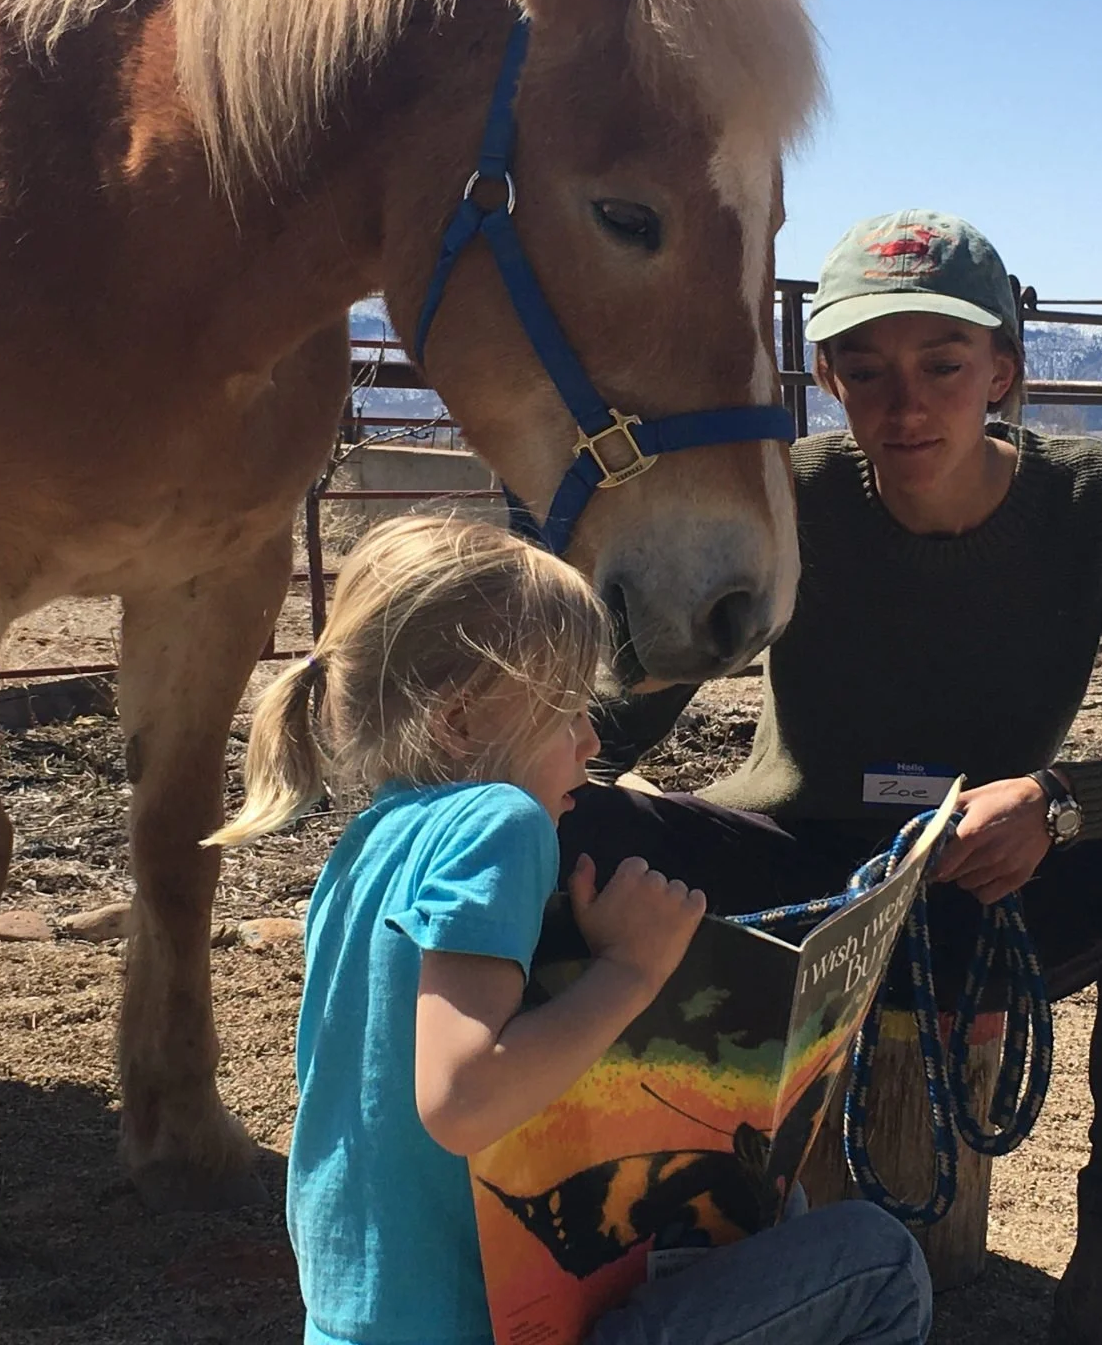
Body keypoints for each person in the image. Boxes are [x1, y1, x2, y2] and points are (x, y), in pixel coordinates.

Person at [567, 212, 1102, 1345]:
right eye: (866, 368)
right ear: (826, 376)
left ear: (1000, 369)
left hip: (980, 882)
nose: (904, 405)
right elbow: (623, 720)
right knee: (551, 823)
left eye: (942, 365)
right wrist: (509, 772)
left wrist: (1060, 801)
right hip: (796, 883)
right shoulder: (790, 491)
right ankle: (559, 1203)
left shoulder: (1090, 503)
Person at [215, 516, 933, 1345]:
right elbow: (461, 1100)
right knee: (878, 1261)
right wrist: (632, 970)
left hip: (357, 1321)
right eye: (565, 716)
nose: (592, 743)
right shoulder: (499, 821)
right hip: (482, 1327)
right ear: (458, 723)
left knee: (775, 1213)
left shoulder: (367, 841)